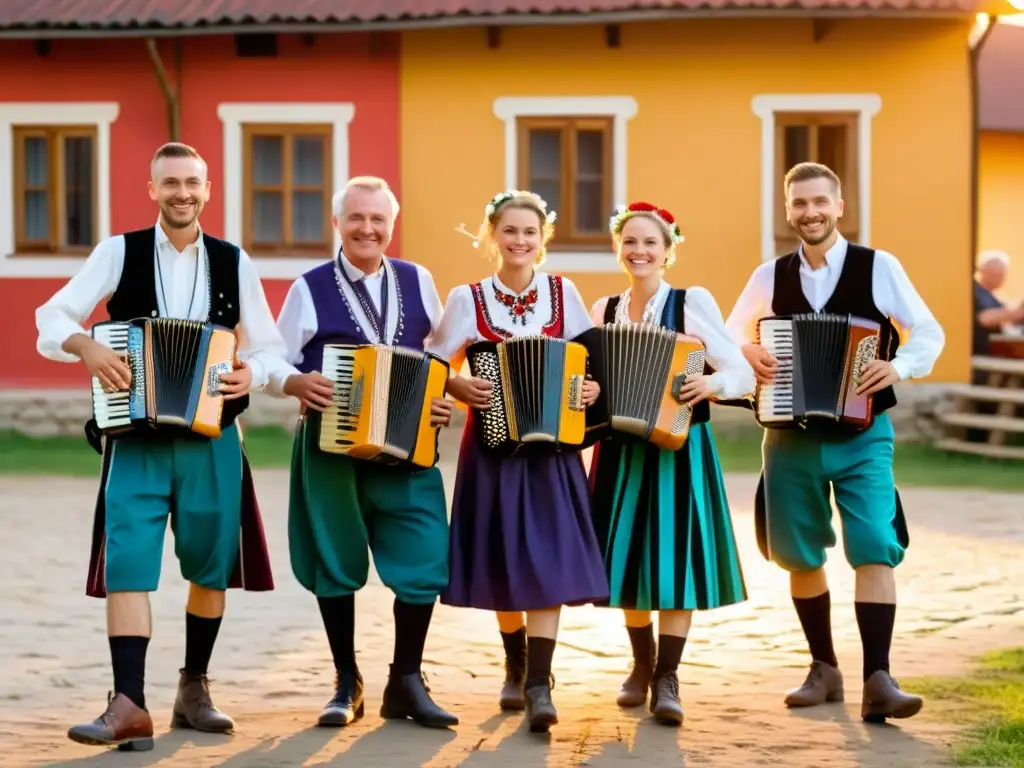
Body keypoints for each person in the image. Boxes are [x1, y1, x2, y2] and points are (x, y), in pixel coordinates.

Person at [34, 142, 283, 751]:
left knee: (210, 565)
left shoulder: (233, 261)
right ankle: (129, 704)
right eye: (170, 182)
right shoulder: (118, 251)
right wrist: (85, 347)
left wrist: (253, 371)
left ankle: (193, 688)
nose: (182, 193)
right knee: (128, 565)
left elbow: (271, 349)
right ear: (152, 189)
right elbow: (50, 316)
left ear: (206, 188)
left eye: (192, 182)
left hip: (213, 439)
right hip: (135, 439)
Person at [725, 162, 945, 723]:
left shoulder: (879, 267)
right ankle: (823, 668)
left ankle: (880, 677)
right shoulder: (768, 275)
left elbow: (928, 330)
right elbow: (726, 336)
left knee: (874, 540)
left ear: (839, 206)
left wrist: (899, 367)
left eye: (820, 202)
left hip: (863, 434)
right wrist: (747, 352)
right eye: (799, 204)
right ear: (789, 210)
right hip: (789, 436)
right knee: (798, 552)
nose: (810, 213)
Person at [265, 176, 458, 729]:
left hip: (407, 445)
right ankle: (346, 680)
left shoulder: (419, 280)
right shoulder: (308, 287)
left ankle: (407, 680)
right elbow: (274, 359)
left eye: (378, 219)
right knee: (334, 557)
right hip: (330, 445)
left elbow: (439, 359)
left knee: (425, 556)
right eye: (356, 218)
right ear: (338, 224)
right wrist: (294, 384)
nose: (367, 228)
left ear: (391, 226)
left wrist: (439, 399)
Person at [427, 190, 608, 732]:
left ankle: (539, 684)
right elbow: (435, 361)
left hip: (552, 450)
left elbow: (587, 360)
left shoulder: (563, 292)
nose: (520, 242)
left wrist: (590, 388)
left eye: (530, 233)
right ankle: (515, 663)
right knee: (505, 556)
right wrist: (459, 384)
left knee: (548, 559)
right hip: (493, 447)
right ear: (493, 236)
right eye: (510, 232)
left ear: (542, 239)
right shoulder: (468, 297)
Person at [587, 202, 753, 725]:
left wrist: (711, 383)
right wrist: (590, 391)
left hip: (680, 448)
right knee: (628, 560)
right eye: (630, 242)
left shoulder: (692, 301)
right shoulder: (604, 310)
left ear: (667, 251)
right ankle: (641, 664)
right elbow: (591, 382)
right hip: (620, 447)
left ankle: (668, 677)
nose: (639, 251)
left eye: (650, 243)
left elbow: (742, 373)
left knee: (676, 561)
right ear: (619, 248)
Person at [973, 250, 1023, 357]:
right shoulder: (975, 291)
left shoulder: (989, 295)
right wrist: (1019, 313)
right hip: (980, 356)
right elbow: (984, 318)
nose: (1003, 278)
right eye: (1001, 273)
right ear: (987, 272)